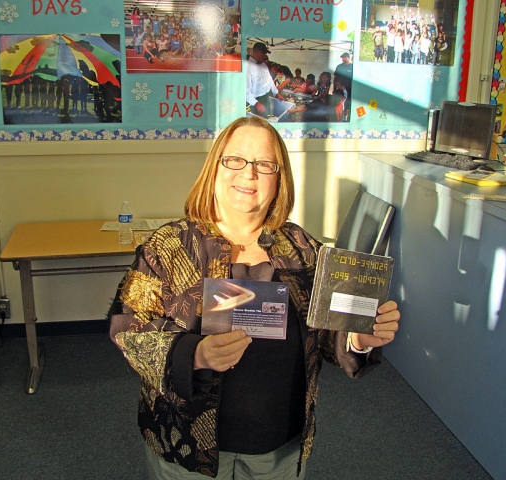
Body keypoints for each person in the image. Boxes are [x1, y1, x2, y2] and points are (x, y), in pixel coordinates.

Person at [108, 116, 401, 478]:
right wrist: (193, 353)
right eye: (236, 160)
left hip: (278, 446)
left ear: (279, 180)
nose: (249, 175)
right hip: (186, 444)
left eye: (265, 165)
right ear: (215, 167)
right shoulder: (168, 247)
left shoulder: (304, 251)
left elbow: (326, 334)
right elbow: (129, 329)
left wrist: (357, 337)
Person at [246, 42, 285, 117]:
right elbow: (245, 89)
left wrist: (276, 93)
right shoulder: (247, 66)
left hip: (266, 97)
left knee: (267, 118)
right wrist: (256, 103)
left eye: (265, 53)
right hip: (255, 100)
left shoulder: (264, 65)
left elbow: (269, 80)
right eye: (263, 53)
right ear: (255, 51)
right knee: (258, 123)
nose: (265, 55)